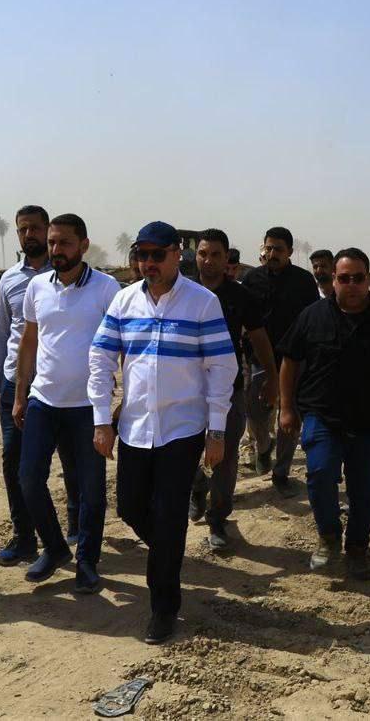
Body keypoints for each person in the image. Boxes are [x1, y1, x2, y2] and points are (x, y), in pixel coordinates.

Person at [88, 221, 238, 644]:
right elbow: (100, 358)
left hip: (182, 429)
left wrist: (217, 431)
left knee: (170, 516)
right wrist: (101, 420)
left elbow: (222, 367)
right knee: (131, 508)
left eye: (157, 255)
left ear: (176, 255)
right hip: (135, 427)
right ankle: (169, 551)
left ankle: (163, 608)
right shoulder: (123, 301)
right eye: (142, 255)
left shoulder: (202, 303)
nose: (148, 263)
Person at [278, 248, 370, 579]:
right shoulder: (312, 316)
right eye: (345, 278)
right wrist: (286, 407)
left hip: (366, 423)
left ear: (368, 280)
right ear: (333, 279)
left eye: (358, 278)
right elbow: (290, 361)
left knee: (364, 491)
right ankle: (328, 537)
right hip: (321, 417)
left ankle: (357, 548)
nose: (352, 284)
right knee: (319, 474)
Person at [13, 214, 122, 592]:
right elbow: (30, 342)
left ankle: (87, 562)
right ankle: (56, 548)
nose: (56, 250)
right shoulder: (37, 286)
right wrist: (20, 395)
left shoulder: (107, 289)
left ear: (84, 245)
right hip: (43, 400)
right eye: (52, 242)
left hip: (89, 407)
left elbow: (124, 345)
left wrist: (122, 399)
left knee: (91, 489)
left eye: (65, 243)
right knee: (29, 478)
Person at [0, 205, 81, 568]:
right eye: (22, 229)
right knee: (15, 464)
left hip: (61, 386)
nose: (29, 235)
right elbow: (1, 335)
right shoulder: (10, 280)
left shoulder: (72, 276)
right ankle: (25, 538)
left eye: (35, 228)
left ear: (48, 231)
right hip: (16, 384)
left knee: (72, 461)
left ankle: (76, 529)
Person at [188, 229, 278, 550]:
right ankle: (197, 485)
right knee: (183, 451)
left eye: (215, 254)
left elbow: (259, 337)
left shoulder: (240, 296)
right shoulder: (182, 292)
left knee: (225, 458)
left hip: (229, 389)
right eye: (203, 254)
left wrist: (272, 376)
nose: (208, 260)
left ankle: (218, 520)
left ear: (226, 258)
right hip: (186, 390)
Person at [241, 226, 321, 494]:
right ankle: (263, 448)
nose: (272, 253)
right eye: (269, 248)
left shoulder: (304, 281)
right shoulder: (251, 279)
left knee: (290, 418)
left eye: (278, 249)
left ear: (290, 252)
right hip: (259, 360)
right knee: (254, 412)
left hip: (294, 361)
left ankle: (281, 473)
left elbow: (312, 321)